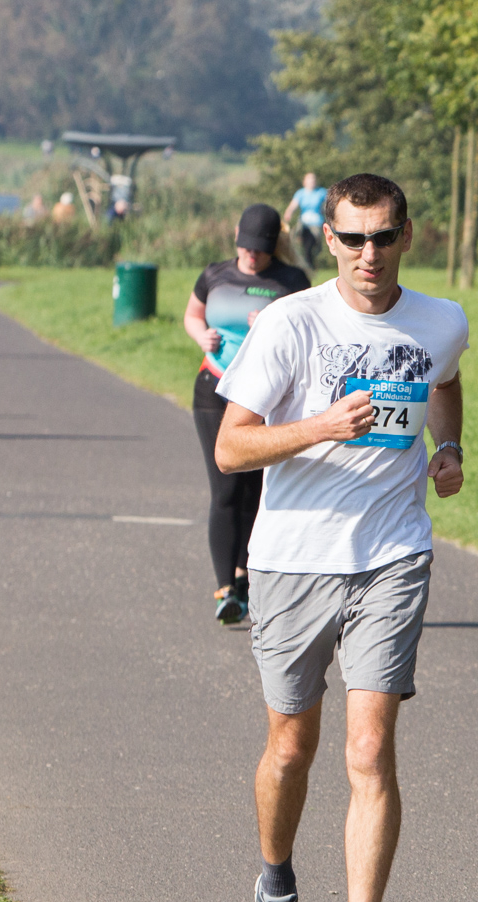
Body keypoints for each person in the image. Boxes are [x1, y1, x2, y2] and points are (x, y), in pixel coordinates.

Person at [214, 172, 467, 902]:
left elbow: (444, 380)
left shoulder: (441, 321)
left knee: (368, 749)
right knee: (292, 747)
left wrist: (449, 447)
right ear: (328, 240)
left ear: (406, 236)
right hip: (293, 559)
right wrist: (321, 425)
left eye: (383, 236)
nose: (369, 253)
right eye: (353, 238)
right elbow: (230, 448)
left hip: (393, 554)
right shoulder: (289, 323)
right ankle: (275, 887)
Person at [183, 204, 311, 624]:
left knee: (255, 490)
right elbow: (193, 314)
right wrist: (201, 335)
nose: (251, 256)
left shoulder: (291, 282)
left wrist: (272, 324)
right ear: (236, 236)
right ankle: (225, 590)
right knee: (225, 489)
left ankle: (243, 575)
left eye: (260, 249)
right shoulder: (214, 275)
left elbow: (307, 333)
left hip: (265, 396)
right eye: (246, 246)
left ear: (274, 244)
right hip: (214, 387)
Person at [283, 172, 328, 269]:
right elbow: (293, 205)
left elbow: (330, 203)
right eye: (309, 180)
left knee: (312, 245)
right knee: (303, 245)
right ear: (305, 182)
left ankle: (309, 264)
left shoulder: (321, 192)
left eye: (313, 180)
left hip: (316, 224)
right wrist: (288, 213)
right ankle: (307, 266)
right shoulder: (301, 193)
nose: (312, 182)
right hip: (303, 224)